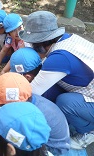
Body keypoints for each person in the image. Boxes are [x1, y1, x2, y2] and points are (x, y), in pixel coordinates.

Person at [19, 10, 94, 149]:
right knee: (50, 91)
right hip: (86, 89)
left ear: (42, 43)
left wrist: (4, 103)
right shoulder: (67, 39)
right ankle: (76, 118)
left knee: (65, 102)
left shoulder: (59, 58)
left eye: (33, 44)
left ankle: (88, 132)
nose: (31, 47)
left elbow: (32, 92)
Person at [0, 72, 70, 155]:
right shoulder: (27, 100)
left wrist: (0, 147)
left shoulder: (30, 116)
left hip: (54, 148)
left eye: (1, 104)